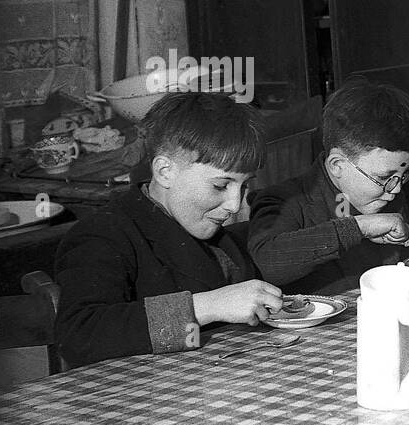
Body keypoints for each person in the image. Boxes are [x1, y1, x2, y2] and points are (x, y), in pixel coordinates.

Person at [54, 92, 282, 367]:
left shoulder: (212, 233)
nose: (235, 205)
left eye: (244, 186)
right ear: (165, 172)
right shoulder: (103, 234)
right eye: (220, 186)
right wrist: (207, 306)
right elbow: (78, 335)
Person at [249, 80, 409, 294]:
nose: (396, 189)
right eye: (383, 176)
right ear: (337, 165)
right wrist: (359, 227)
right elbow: (268, 263)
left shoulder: (385, 193)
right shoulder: (283, 200)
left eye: (405, 174)